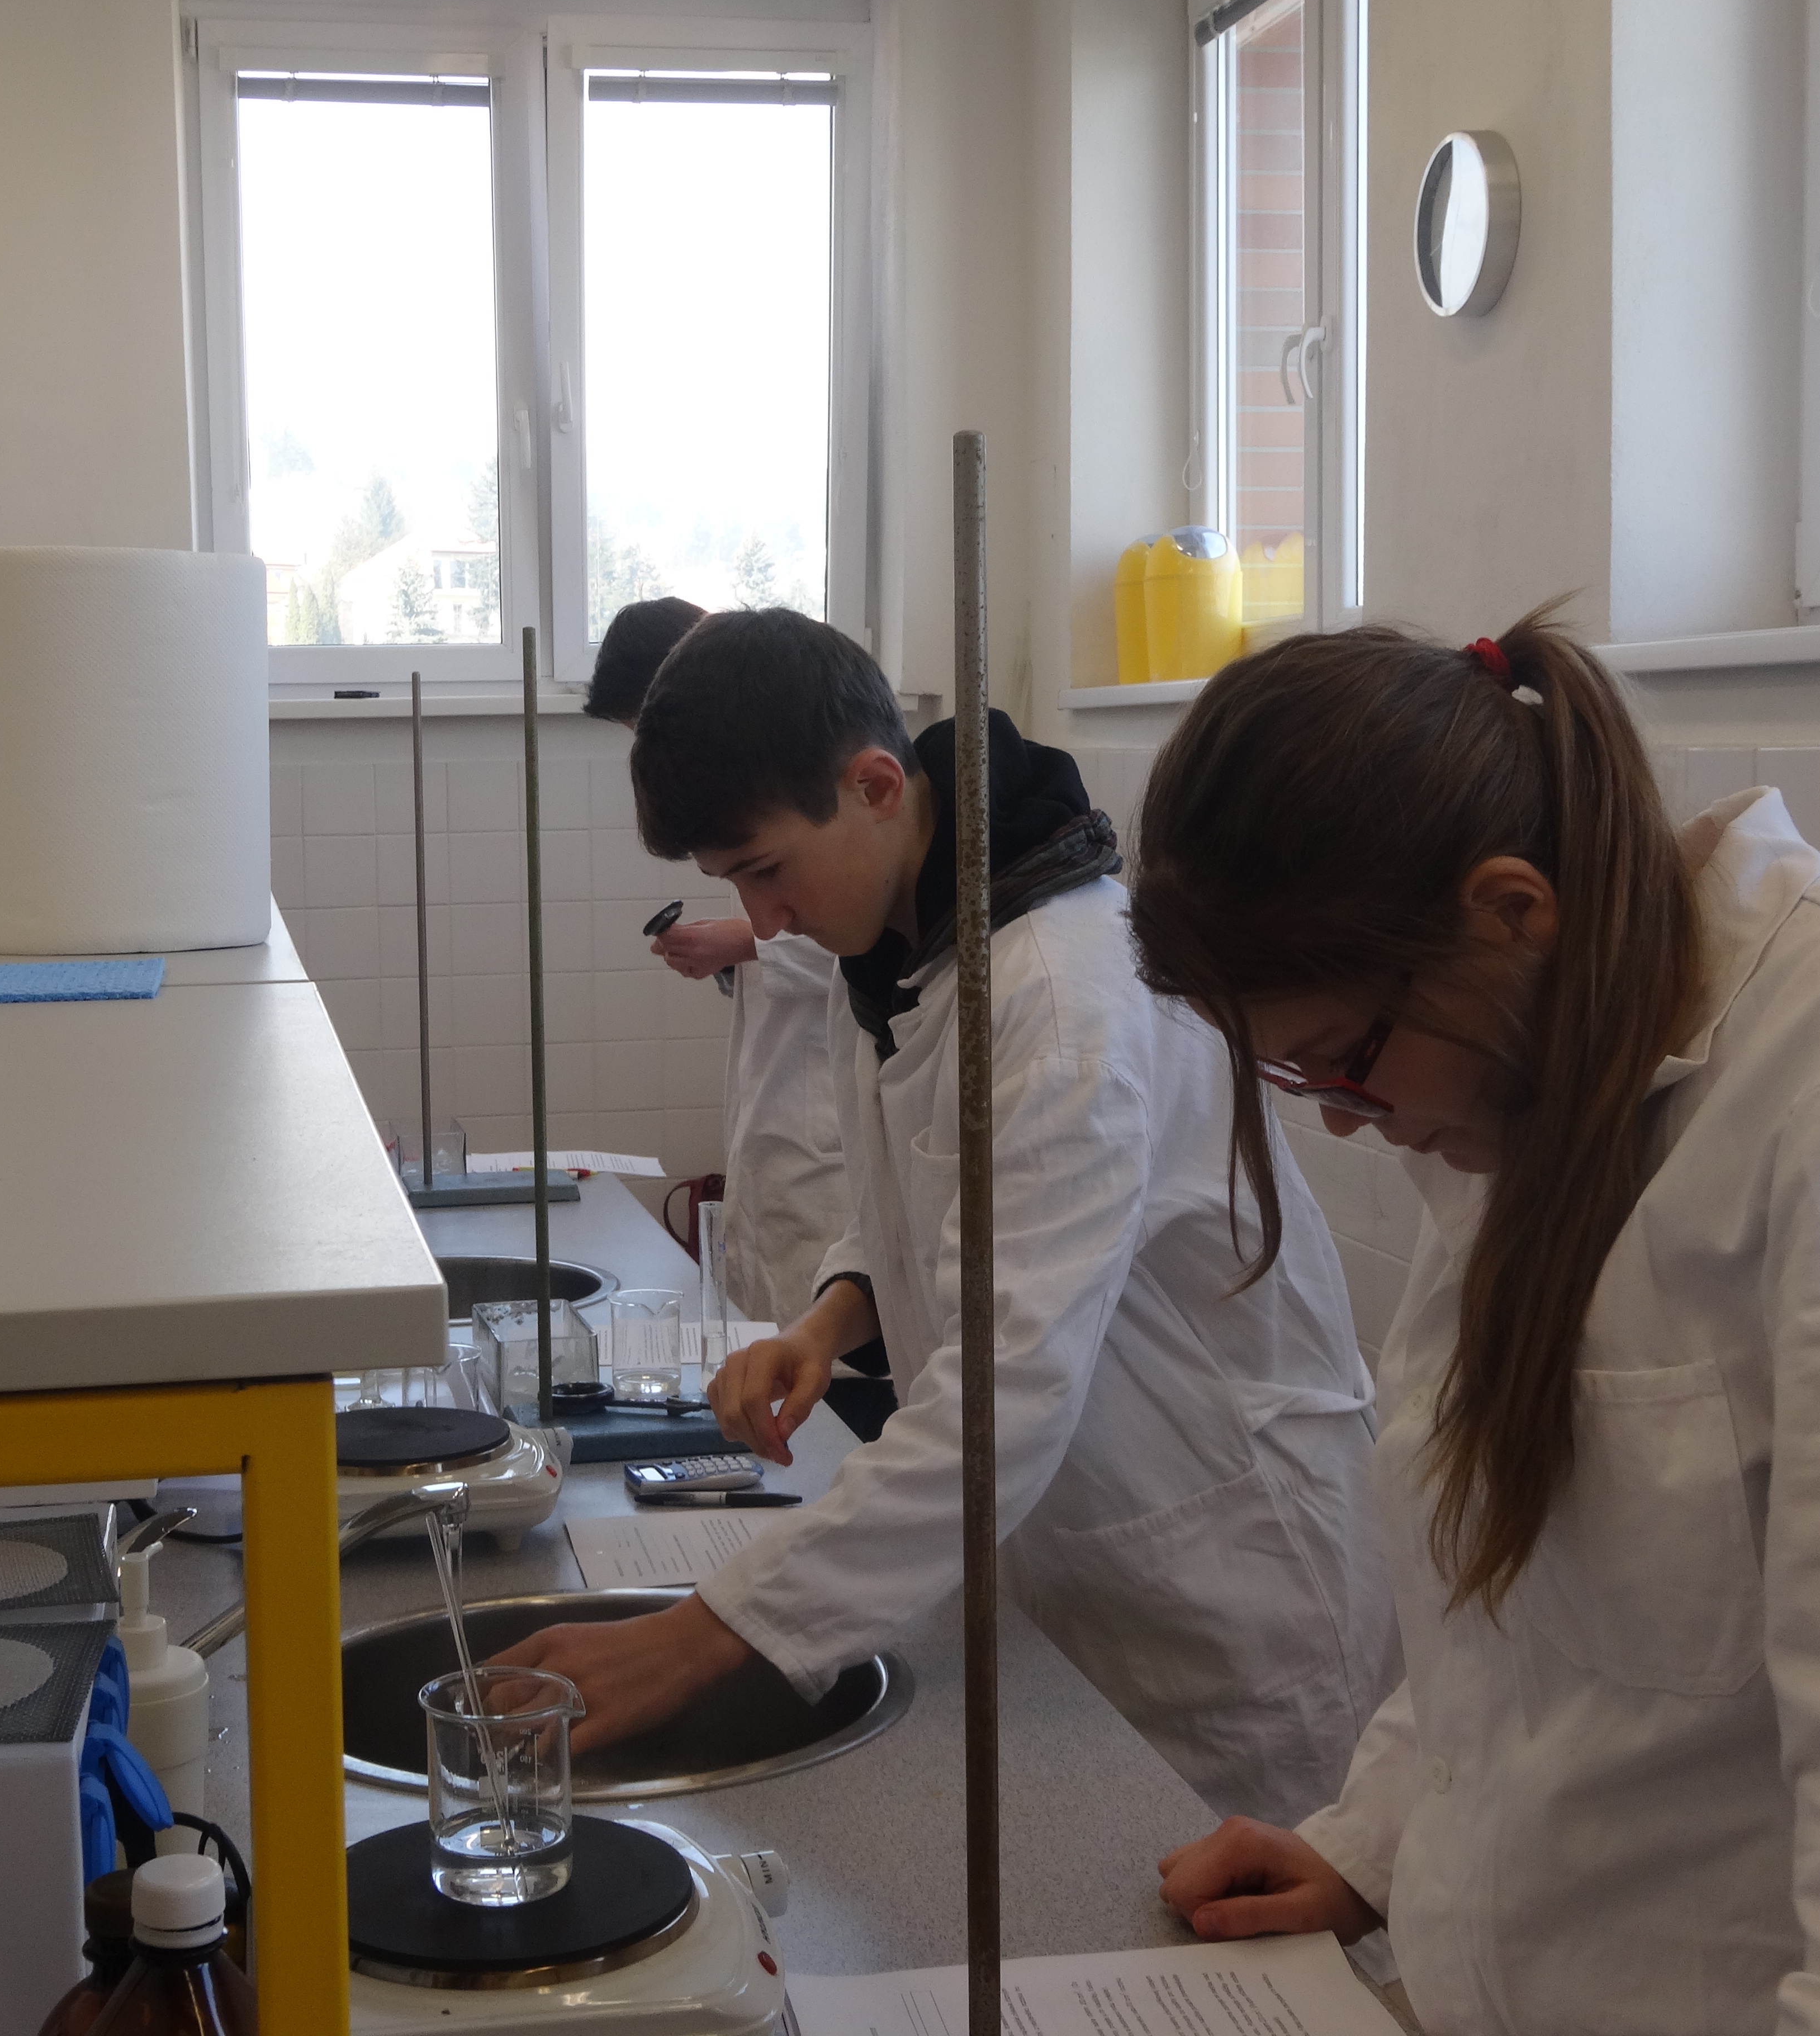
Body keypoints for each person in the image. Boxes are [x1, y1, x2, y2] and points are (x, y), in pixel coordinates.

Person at [1141, 612, 1820, 2032]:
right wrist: (1373, 1841)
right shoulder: (1535, 1077)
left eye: (1342, 1059)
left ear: (1511, 911)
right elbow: (1526, 1610)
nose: (1340, 1118)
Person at [504, 608, 1396, 1828]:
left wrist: (699, 1637)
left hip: (1226, 1589)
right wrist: (833, 1315)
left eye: (765, 869)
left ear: (876, 786)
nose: (764, 919)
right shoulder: (902, 955)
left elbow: (1003, 1394)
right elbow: (924, 1192)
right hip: (1073, 1565)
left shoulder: (1063, 997)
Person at [587, 597, 884, 1426]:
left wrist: (742, 941)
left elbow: (852, 947)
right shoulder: (789, 827)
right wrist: (736, 953)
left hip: (823, 1164)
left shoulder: (838, 817)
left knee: (841, 1403)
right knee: (790, 1385)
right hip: (783, 1148)